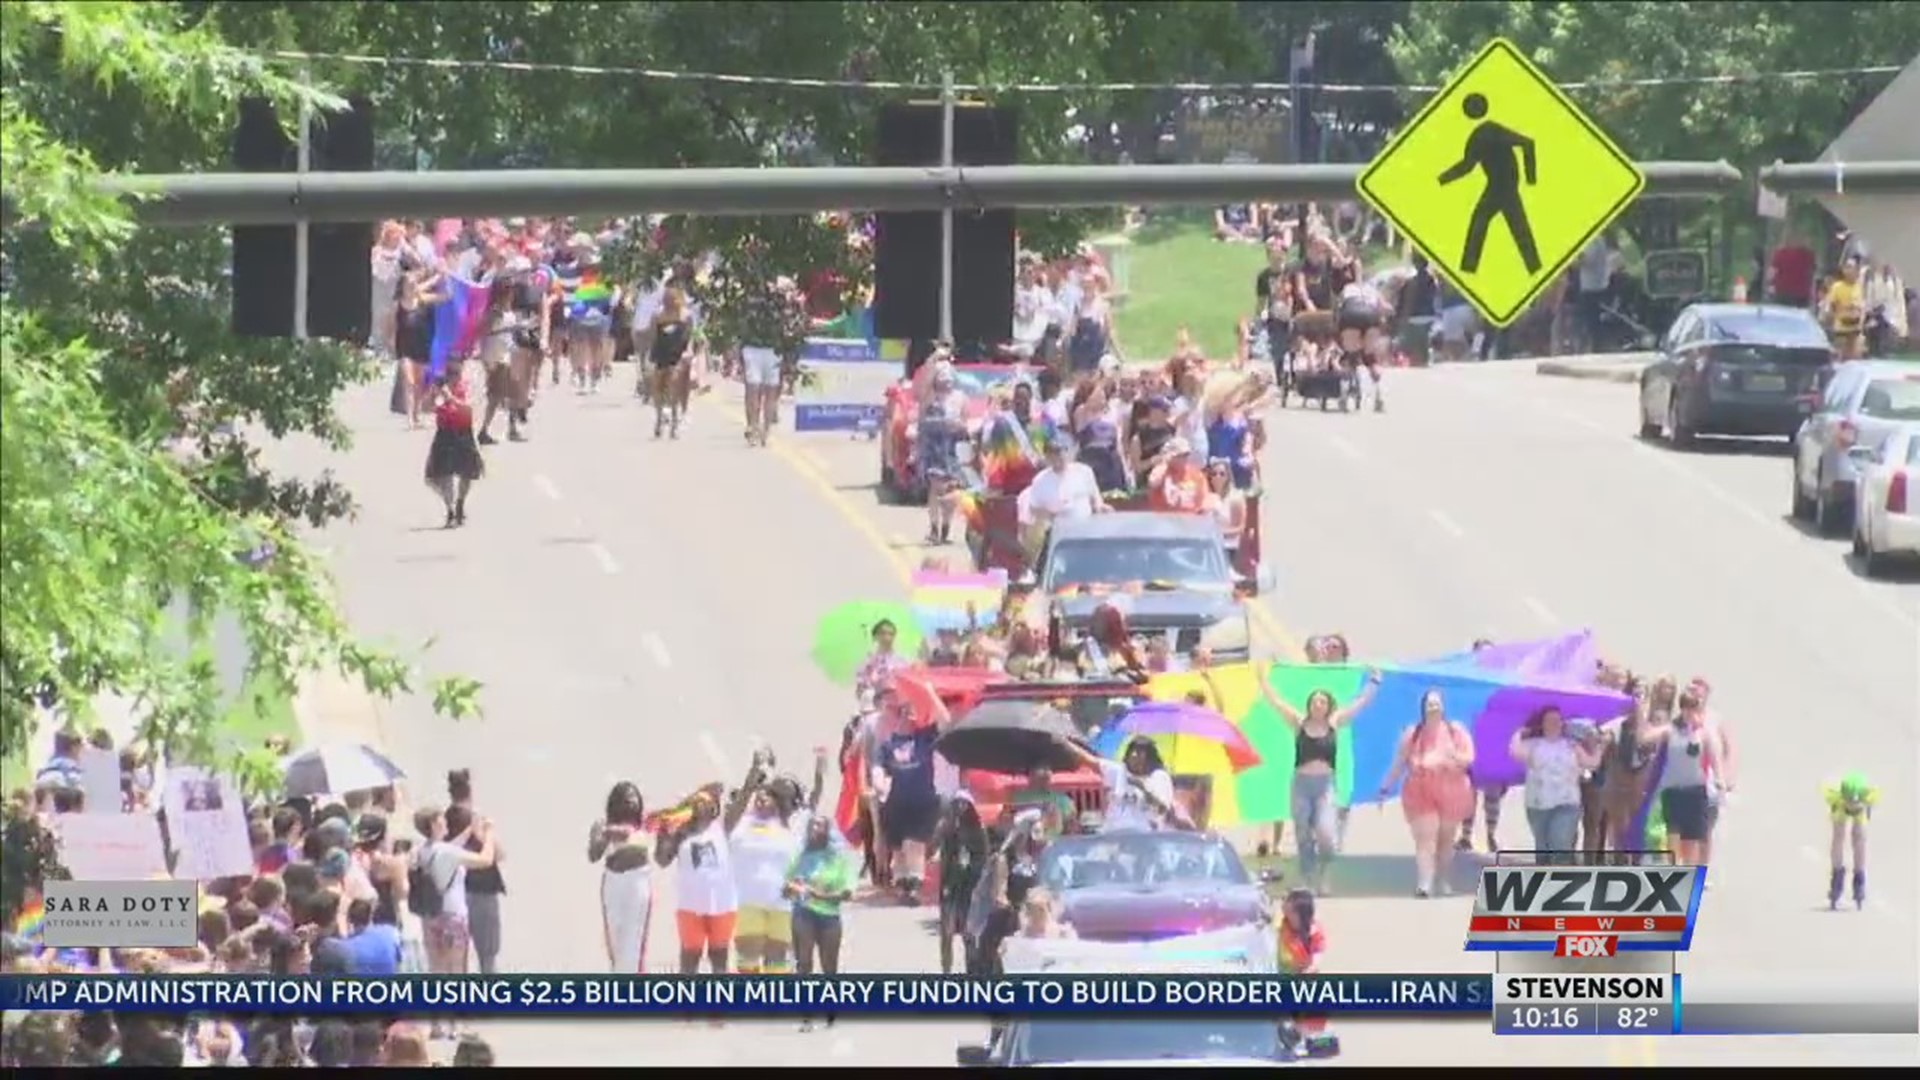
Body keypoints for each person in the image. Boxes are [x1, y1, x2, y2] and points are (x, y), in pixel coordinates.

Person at [1254, 670, 1381, 894]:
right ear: (1309, 704)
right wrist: (1263, 679)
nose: (1318, 704)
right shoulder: (1298, 723)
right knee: (1302, 832)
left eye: (1322, 701)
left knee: (1325, 833)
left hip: (1325, 785)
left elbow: (1360, 703)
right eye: (1315, 701)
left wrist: (1374, 682)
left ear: (1328, 705)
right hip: (1301, 785)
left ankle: (1324, 874)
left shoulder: (1334, 723)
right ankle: (1307, 878)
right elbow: (1276, 702)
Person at [1381, 690, 1475, 898]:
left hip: (1452, 789)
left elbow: (1469, 757)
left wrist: (1453, 757)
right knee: (1425, 838)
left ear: (1443, 706)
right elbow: (1399, 762)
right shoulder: (1413, 733)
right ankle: (1424, 882)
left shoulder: (1455, 730)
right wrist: (1385, 787)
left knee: (1445, 840)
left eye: (1437, 703)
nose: (1433, 707)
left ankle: (1442, 878)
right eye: (1429, 704)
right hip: (1420, 790)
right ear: (1423, 707)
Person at [730, 754, 810, 975]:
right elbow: (739, 803)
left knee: (777, 963)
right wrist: (752, 776)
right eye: (759, 796)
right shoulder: (740, 824)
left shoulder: (791, 827)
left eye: (769, 796)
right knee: (748, 960)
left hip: (782, 905)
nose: (761, 799)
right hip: (748, 902)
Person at [1637, 687, 1730, 868]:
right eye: (1687, 708)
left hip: (1695, 791)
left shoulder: (1704, 733)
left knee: (1691, 842)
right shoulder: (1670, 730)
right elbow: (1644, 738)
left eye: (1694, 708)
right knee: (1673, 838)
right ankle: (1674, 875)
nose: (1690, 712)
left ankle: (1689, 876)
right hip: (1673, 791)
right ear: (1682, 709)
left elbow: (1714, 758)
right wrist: (1641, 710)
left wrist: (1720, 781)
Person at [785, 814, 855, 1032]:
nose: (815, 829)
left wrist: (818, 895)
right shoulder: (801, 856)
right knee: (804, 964)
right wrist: (792, 889)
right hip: (803, 914)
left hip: (829, 917)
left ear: (827, 830)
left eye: (820, 825)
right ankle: (806, 1015)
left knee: (829, 965)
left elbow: (846, 893)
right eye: (812, 825)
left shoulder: (839, 859)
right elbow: (785, 886)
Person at [1510, 707, 1603, 863]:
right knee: (1543, 847)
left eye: (1558, 720)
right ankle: (1544, 881)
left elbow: (1591, 763)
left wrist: (1599, 746)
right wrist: (1518, 733)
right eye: (1550, 720)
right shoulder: (1533, 744)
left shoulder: (1572, 746)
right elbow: (1514, 752)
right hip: (1538, 805)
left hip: (1567, 804)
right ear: (1543, 724)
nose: (1555, 724)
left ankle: (1560, 880)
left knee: (1560, 843)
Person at [589, 781, 654, 973]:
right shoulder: (602, 825)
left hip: (637, 883)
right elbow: (593, 855)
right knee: (616, 945)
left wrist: (627, 833)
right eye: (625, 800)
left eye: (633, 800)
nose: (630, 804)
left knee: (633, 945)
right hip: (613, 883)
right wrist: (606, 835)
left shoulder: (645, 825)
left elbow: (645, 842)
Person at [448, 769, 506, 975]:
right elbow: (498, 854)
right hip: (482, 892)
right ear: (469, 791)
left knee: (457, 958)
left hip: (454, 894)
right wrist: (487, 832)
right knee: (487, 956)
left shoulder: (442, 820)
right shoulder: (476, 821)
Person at [1015, 438, 1106, 563]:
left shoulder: (1084, 472)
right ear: (1047, 457)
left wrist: (1100, 508)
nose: (1059, 457)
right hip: (1058, 534)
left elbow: (1095, 498)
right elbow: (1034, 508)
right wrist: (1053, 515)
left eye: (1061, 452)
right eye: (1054, 453)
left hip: (1086, 530)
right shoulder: (1040, 480)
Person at [932, 792, 990, 975]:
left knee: (969, 933)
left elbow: (984, 857)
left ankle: (971, 971)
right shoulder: (947, 827)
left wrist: (972, 867)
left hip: (970, 886)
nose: (960, 808)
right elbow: (935, 850)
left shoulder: (978, 830)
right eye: (957, 804)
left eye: (964, 804)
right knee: (947, 933)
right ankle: (946, 971)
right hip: (950, 884)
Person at [423, 376, 483, 528]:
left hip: (463, 431)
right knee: (439, 476)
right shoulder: (439, 387)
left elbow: (469, 409)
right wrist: (432, 395)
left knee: (467, 474)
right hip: (444, 432)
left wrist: (450, 397)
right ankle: (450, 508)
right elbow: (426, 408)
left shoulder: (468, 383)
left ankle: (460, 503)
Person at [647, 287, 695, 439]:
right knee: (657, 386)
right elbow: (653, 337)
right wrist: (650, 356)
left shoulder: (686, 317)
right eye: (667, 299)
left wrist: (687, 354)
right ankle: (659, 417)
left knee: (674, 384)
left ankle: (675, 422)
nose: (670, 302)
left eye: (673, 299)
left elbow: (689, 337)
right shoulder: (657, 316)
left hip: (678, 355)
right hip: (661, 354)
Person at [1824, 773, 1875, 910]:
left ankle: (1859, 876)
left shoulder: (1869, 797)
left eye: (1855, 805)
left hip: (1861, 811)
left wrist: (1860, 870)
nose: (1852, 808)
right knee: (1838, 836)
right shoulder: (1837, 800)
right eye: (1850, 805)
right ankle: (1837, 874)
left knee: (1859, 838)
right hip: (1840, 809)